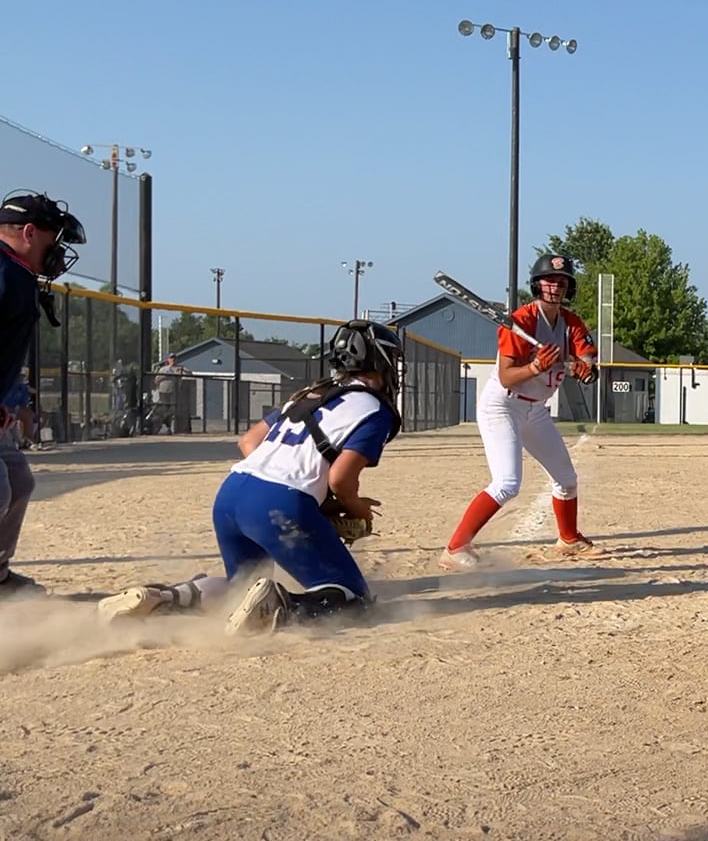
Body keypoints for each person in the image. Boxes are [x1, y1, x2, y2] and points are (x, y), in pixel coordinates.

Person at [96, 321, 404, 634]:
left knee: (240, 589)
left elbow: (248, 442)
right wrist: (355, 507)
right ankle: (279, 606)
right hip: (280, 503)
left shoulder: (310, 393)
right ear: (380, 360)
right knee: (354, 600)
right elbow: (340, 478)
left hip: (232, 493)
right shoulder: (375, 409)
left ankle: (164, 597)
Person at [440, 254, 603, 570]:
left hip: (536, 409)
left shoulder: (571, 323)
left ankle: (568, 539)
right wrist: (536, 366)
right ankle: (455, 547)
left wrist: (584, 369)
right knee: (507, 483)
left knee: (567, 480)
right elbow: (506, 377)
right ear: (538, 285)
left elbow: (588, 361)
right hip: (503, 405)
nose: (555, 287)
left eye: (561, 282)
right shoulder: (521, 321)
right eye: (549, 281)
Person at [0, 190, 85, 599]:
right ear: (29, 232)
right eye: (53, 242)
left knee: (18, 480)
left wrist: (10, 400)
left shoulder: (16, 273)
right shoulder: (3, 271)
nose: (58, 253)